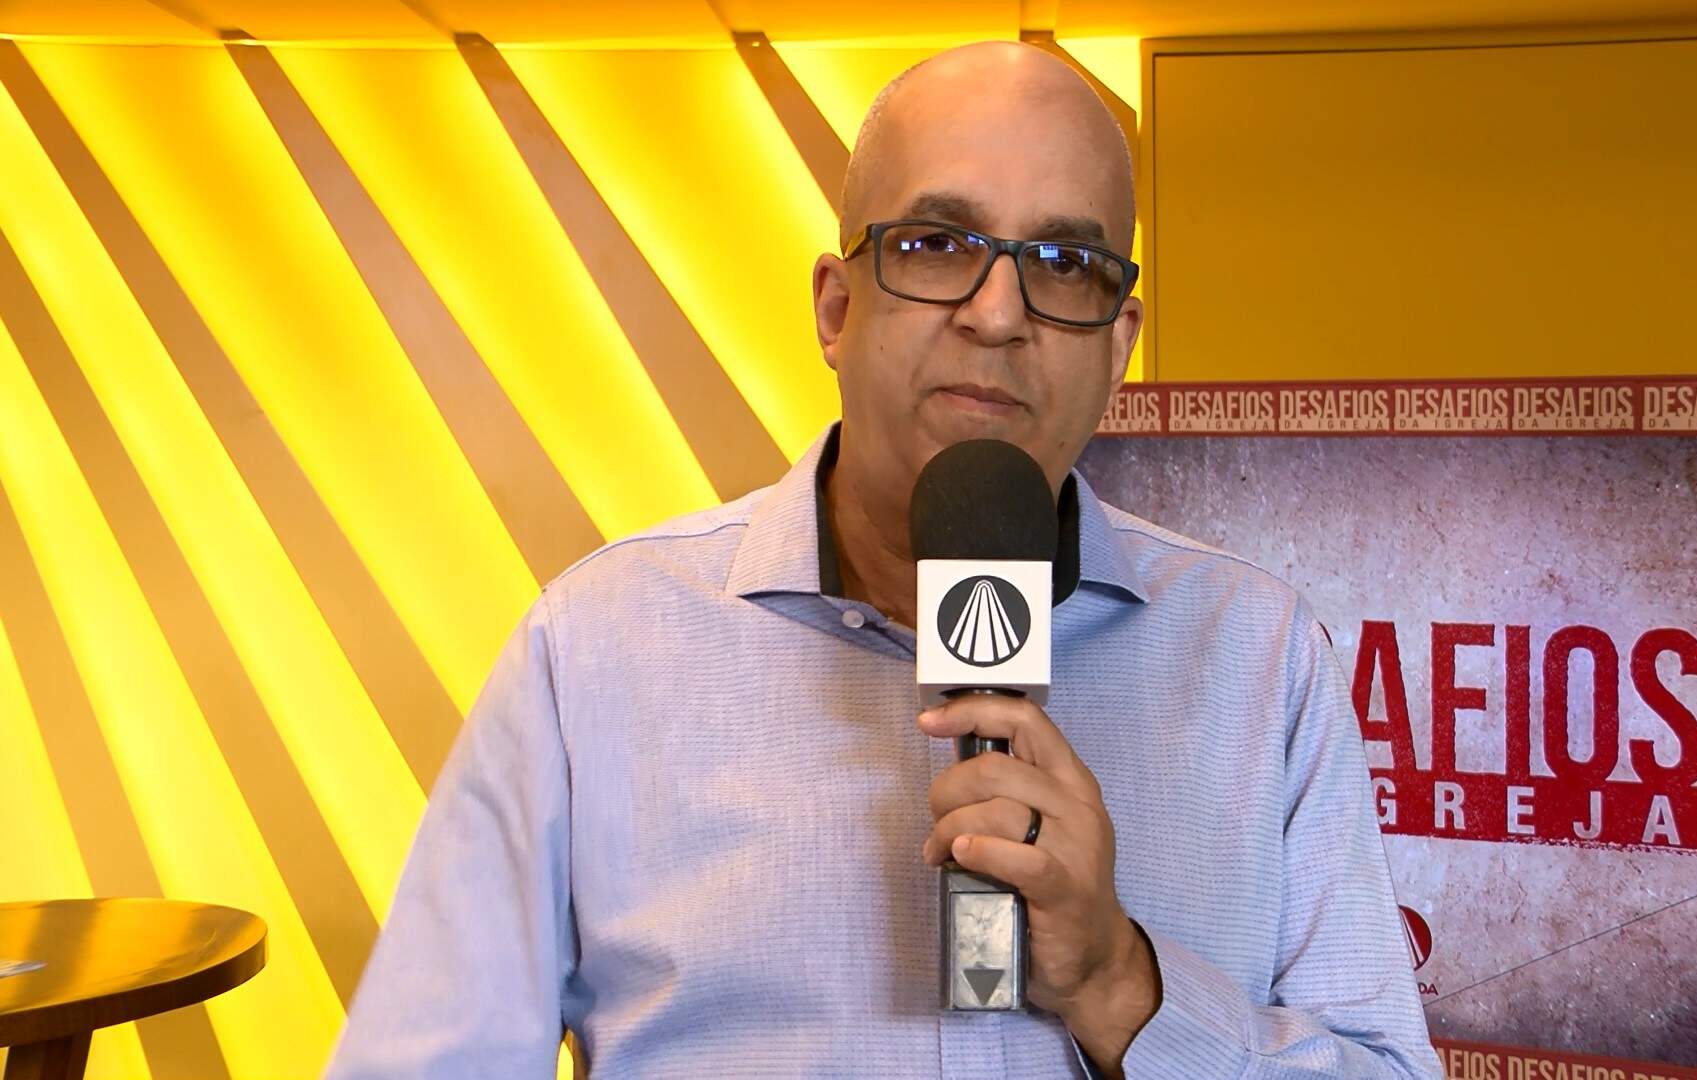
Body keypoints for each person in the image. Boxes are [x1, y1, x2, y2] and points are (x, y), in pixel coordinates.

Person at [326, 41, 1441, 1079]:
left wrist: (1121, 985)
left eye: (1065, 262)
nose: (997, 314)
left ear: (1118, 348)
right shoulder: (594, 650)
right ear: (835, 306)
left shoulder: (1261, 657)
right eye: (937, 244)